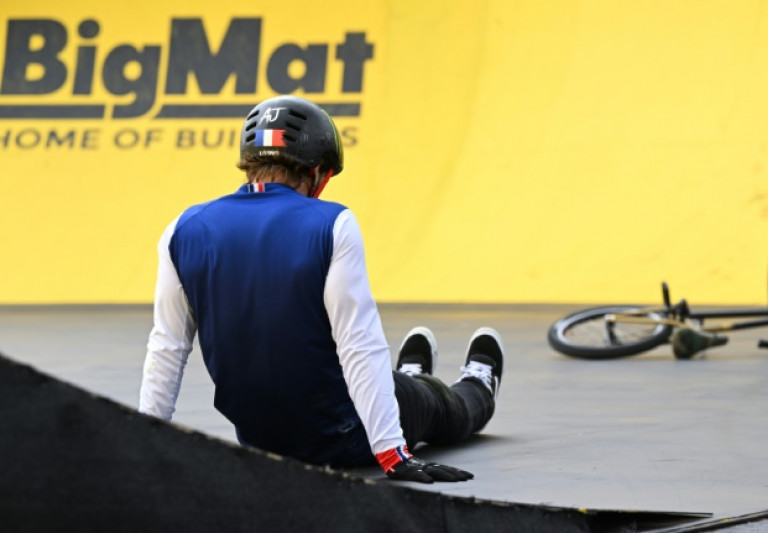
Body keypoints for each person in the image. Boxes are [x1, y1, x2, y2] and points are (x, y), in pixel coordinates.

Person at [138, 94, 503, 484]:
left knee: (399, 387)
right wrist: (393, 456)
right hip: (347, 438)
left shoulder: (183, 229)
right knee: (440, 407)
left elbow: (168, 348)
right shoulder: (332, 224)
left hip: (264, 445)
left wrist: (140, 445)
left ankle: (409, 379)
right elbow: (358, 345)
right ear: (315, 172)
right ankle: (477, 386)